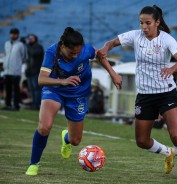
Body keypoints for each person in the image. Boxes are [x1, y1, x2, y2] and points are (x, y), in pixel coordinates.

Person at [98, 5, 177, 181]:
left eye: (148, 23)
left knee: (175, 134)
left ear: (157, 22)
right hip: (145, 95)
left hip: (166, 93)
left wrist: (172, 69)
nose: (144, 27)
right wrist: (106, 48)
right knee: (141, 141)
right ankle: (167, 153)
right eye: (141, 23)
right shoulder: (135, 36)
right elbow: (112, 42)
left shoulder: (166, 39)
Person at [25, 27, 122, 176]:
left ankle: (66, 137)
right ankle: (34, 164)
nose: (76, 56)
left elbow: (100, 56)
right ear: (63, 45)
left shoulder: (86, 50)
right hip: (55, 89)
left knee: (75, 140)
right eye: (72, 53)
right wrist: (63, 81)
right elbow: (41, 79)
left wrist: (113, 74)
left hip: (78, 92)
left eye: (78, 52)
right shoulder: (52, 52)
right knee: (44, 127)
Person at [2, 28, 27, 111]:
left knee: (16, 90)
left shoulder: (21, 45)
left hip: (16, 71)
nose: (13, 35)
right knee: (7, 89)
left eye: (15, 34)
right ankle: (7, 104)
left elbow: (24, 57)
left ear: (18, 35)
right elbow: (6, 55)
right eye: (12, 33)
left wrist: (17, 65)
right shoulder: (6, 44)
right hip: (7, 71)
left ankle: (16, 106)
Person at [25, 34, 44, 110]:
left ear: (35, 39)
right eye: (29, 38)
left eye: (32, 38)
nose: (30, 40)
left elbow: (33, 53)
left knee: (36, 89)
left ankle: (37, 104)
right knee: (31, 89)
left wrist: (27, 46)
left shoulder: (38, 47)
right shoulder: (29, 47)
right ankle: (33, 103)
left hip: (36, 71)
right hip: (29, 71)